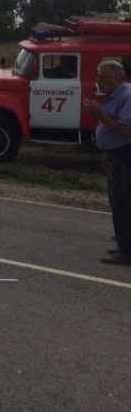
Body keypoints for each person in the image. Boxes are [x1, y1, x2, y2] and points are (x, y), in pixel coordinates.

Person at [84, 60, 131, 265]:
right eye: (98, 76)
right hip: (115, 155)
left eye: (102, 77)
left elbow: (126, 130)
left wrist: (98, 114)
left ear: (118, 77)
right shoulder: (113, 96)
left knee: (124, 202)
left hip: (125, 156)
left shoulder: (127, 97)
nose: (98, 81)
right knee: (117, 202)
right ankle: (124, 246)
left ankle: (128, 252)